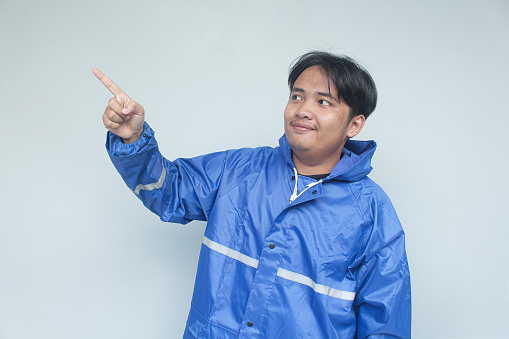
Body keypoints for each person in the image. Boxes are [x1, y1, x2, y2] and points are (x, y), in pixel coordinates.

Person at [93, 51, 411, 338]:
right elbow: (169, 192)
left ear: (354, 124)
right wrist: (134, 140)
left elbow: (385, 325)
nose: (303, 110)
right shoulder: (240, 170)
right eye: (297, 97)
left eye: (323, 102)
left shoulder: (372, 212)